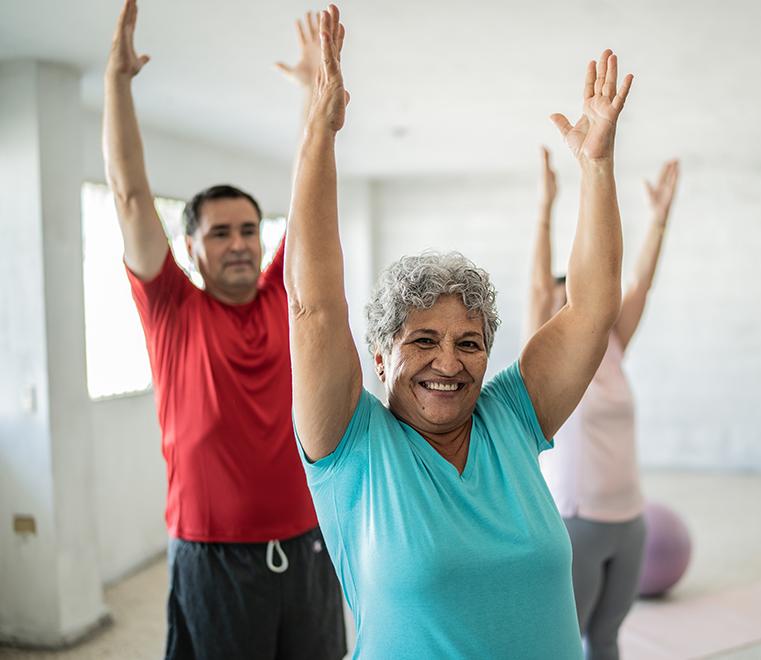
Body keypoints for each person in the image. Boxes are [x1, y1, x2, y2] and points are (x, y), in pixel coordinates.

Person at [285, 5, 634, 657]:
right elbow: (313, 307)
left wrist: (596, 168)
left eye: (468, 342)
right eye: (423, 340)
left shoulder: (512, 417)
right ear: (381, 358)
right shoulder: (352, 445)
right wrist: (319, 130)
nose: (449, 360)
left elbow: (590, 307)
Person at [102, 2, 345, 657]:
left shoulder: (281, 293)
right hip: (209, 555)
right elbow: (128, 195)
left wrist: (311, 101)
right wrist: (117, 86)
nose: (239, 244)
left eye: (248, 230)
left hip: (309, 542)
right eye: (220, 232)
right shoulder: (171, 308)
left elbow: (308, 191)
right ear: (190, 246)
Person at [530, 149, 679, 660]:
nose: (570, 303)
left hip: (630, 518)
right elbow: (535, 288)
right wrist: (547, 205)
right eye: (560, 297)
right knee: (567, 643)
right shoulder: (546, 360)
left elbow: (642, 285)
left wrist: (659, 219)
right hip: (578, 519)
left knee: (609, 637)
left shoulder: (612, 344)